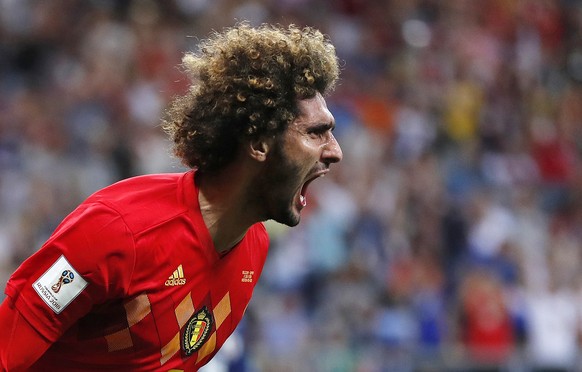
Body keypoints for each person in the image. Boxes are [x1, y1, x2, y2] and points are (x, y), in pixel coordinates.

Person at [0, 23, 342, 371]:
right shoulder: (118, 231)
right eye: (316, 133)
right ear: (259, 144)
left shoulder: (253, 247)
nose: (335, 152)